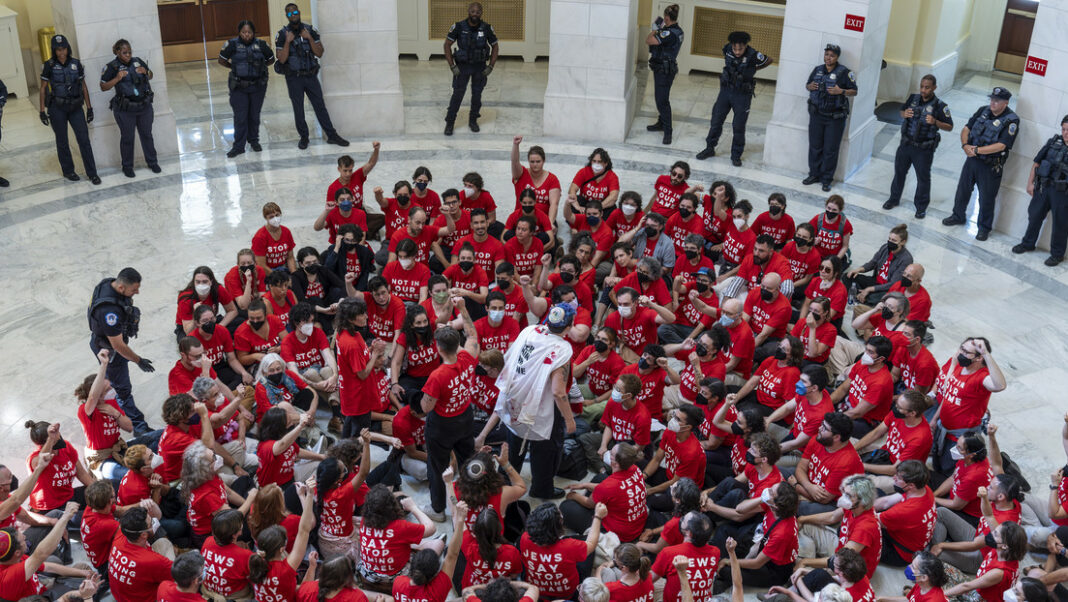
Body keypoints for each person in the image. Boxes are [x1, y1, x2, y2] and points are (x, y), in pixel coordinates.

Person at [492, 304, 577, 499]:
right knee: (546, 450)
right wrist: (569, 419)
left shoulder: (530, 330)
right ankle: (541, 488)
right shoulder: (563, 347)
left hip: (515, 396)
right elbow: (558, 392)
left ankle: (502, 483)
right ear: (569, 326)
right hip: (541, 405)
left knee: (514, 442)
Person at [421, 299, 479, 519]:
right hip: (465, 417)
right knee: (468, 461)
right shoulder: (468, 357)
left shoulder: (437, 376)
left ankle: (438, 509)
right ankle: (471, 499)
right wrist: (463, 307)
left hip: (442, 425)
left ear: (438, 348)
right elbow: (472, 335)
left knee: (438, 467)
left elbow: (427, 407)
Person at [943, 87, 1021, 240]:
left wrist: (977, 150)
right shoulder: (982, 111)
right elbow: (966, 128)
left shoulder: (1012, 120)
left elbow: (1002, 145)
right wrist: (965, 145)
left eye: (997, 101)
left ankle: (984, 228)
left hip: (990, 166)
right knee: (962, 191)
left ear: (1005, 102)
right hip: (972, 160)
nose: (992, 103)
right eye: (992, 99)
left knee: (986, 198)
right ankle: (958, 216)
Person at [88, 267, 153, 435]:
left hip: (102, 342)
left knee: (112, 381)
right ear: (122, 288)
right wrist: (139, 360)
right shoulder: (109, 311)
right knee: (122, 389)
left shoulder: (107, 283)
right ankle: (139, 426)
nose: (137, 292)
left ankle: (107, 393)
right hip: (111, 351)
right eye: (134, 289)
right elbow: (117, 345)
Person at [275, 3, 347, 149]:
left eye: (295, 12)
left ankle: (332, 135)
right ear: (286, 16)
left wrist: (309, 38)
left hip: (310, 76)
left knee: (320, 106)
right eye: (289, 14)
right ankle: (304, 138)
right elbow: (281, 59)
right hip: (294, 78)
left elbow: (319, 52)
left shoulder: (310, 30)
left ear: (299, 12)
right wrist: (288, 42)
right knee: (298, 109)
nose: (293, 15)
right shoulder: (282, 34)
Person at [930, 337, 1006, 472]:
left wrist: (986, 354)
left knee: (949, 468)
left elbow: (999, 385)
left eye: (966, 352)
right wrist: (935, 419)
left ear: (978, 358)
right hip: (943, 426)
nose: (961, 354)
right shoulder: (958, 364)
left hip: (960, 436)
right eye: (962, 348)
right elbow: (949, 396)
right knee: (937, 461)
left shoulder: (982, 377)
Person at [698, 31, 773, 165]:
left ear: (746, 46)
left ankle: (736, 155)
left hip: (742, 95)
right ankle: (710, 148)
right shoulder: (727, 49)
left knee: (738, 126)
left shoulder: (753, 54)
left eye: (740, 49)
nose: (737, 52)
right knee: (716, 120)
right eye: (735, 48)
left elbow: (769, 60)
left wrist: (754, 68)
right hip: (726, 91)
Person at [884, 74, 953, 218]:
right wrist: (904, 114)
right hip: (906, 144)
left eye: (927, 87)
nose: (923, 90)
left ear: (934, 88)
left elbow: (949, 126)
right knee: (899, 173)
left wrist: (935, 122)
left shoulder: (940, 106)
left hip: (923, 149)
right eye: (922, 86)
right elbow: (901, 111)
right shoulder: (913, 99)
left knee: (923, 178)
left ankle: (921, 207)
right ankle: (893, 199)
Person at [39, 34, 99, 184]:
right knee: (62, 141)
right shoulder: (49, 65)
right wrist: (41, 111)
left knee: (84, 139)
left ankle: (92, 173)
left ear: (68, 48)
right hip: (57, 108)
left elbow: (83, 86)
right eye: (58, 49)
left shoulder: (76, 64)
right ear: (54, 50)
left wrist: (89, 108)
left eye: (64, 48)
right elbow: (43, 88)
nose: (61, 52)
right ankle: (68, 171)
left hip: (76, 107)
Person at [796, 474, 881, 579]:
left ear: (862, 500)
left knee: (808, 580)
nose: (843, 498)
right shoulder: (855, 506)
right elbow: (832, 517)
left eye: (848, 495)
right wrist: (803, 518)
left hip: (849, 571)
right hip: (842, 547)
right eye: (844, 493)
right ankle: (806, 566)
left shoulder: (865, 527)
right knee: (806, 526)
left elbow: (840, 559)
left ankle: (805, 569)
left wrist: (806, 561)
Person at [561, 442, 648, 542]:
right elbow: (614, 490)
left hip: (618, 535)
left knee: (566, 506)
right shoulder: (635, 469)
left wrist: (572, 495)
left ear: (615, 463)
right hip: (635, 524)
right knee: (600, 478)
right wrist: (585, 485)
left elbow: (589, 504)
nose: (608, 452)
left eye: (611, 453)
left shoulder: (609, 486)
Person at [358, 484, 444, 585]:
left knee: (404, 542)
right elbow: (431, 528)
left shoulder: (364, 521)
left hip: (369, 575)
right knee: (438, 543)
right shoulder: (400, 527)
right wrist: (413, 508)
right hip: (396, 577)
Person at [520, 502, 606, 600]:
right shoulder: (569, 546)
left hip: (536, 590)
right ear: (558, 528)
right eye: (561, 518)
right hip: (567, 593)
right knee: (589, 551)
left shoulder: (524, 538)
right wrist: (598, 517)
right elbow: (591, 543)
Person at [0, 501, 85, 599]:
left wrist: (83, 573)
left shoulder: (12, 558)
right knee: (83, 578)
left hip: (39, 589)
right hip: (41, 599)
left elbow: (49, 567)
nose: (24, 536)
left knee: (66, 565)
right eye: (22, 539)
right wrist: (65, 517)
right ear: (17, 552)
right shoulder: (9, 576)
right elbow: (41, 554)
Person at [100, 39, 159, 178]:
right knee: (127, 138)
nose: (128, 55)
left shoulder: (137, 61)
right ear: (117, 52)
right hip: (125, 109)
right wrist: (117, 79)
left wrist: (146, 72)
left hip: (144, 106)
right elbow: (103, 86)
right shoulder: (112, 67)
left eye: (130, 52)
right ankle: (127, 166)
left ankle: (152, 162)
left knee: (147, 135)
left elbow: (151, 75)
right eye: (124, 52)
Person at [1014, 115, 1068, 266]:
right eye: (1064, 129)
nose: (1065, 133)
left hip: (1063, 194)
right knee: (1035, 216)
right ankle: (1028, 244)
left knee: (1061, 224)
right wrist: (1030, 183)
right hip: (1044, 188)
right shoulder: (1053, 142)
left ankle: (1057, 255)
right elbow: (1037, 162)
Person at [802, 44, 857, 192]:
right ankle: (813, 174)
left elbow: (854, 91)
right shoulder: (818, 69)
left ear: (837, 57)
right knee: (815, 147)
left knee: (830, 150)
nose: (828, 58)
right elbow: (807, 85)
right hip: (817, 115)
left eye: (832, 55)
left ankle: (826, 179)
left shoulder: (845, 72)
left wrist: (841, 91)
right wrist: (810, 86)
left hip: (835, 118)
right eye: (827, 55)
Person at [218, 20, 274, 157]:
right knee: (240, 117)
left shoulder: (261, 45)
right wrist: (234, 68)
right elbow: (222, 60)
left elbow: (271, 59)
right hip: (239, 86)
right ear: (239, 32)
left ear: (253, 33)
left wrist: (260, 68)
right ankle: (238, 146)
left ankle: (254, 141)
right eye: (243, 32)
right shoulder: (231, 44)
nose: (246, 35)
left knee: (254, 115)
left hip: (258, 86)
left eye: (249, 32)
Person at [790, 412, 863, 516]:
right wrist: (809, 486)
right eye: (822, 424)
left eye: (824, 428)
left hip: (833, 503)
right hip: (810, 482)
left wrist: (797, 487)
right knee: (776, 473)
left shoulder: (845, 463)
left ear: (837, 437)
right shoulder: (820, 438)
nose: (819, 428)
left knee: (790, 506)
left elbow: (823, 499)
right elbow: (800, 468)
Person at [392, 503, 467, 602]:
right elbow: (452, 555)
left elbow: (452, 555)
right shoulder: (438, 589)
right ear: (436, 574)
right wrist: (461, 520)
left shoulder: (399, 582)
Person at [444, 2, 498, 135]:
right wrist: (452, 66)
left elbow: (495, 46)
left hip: (479, 67)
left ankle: (473, 120)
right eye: (473, 11)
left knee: (477, 95)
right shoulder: (458, 26)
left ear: (481, 13)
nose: (475, 14)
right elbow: (447, 45)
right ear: (468, 11)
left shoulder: (486, 28)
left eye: (478, 12)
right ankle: (450, 123)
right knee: (457, 95)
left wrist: (491, 66)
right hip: (462, 67)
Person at [943, 521, 1027, 602]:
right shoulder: (1004, 551)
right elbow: (989, 516)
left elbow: (966, 586)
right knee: (943, 566)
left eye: (995, 534)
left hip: (980, 598)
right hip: (978, 586)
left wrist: (941, 594)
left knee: (939, 597)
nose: (991, 534)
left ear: (1005, 546)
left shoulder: (999, 572)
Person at [873, 463, 937, 565]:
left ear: (911, 485)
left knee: (849, 529)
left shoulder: (904, 511)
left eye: (898, 478)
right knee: (876, 492)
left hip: (901, 553)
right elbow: (886, 502)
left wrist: (852, 505)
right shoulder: (924, 489)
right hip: (910, 538)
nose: (894, 478)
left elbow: (869, 520)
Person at [108, 507, 175, 602]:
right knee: (165, 543)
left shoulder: (120, 535)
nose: (153, 522)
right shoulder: (153, 561)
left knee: (161, 543)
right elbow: (178, 575)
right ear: (143, 535)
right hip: (146, 598)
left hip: (120, 596)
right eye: (151, 522)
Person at [650, 511, 720, 602]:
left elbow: (650, 580)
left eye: (683, 520)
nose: (681, 520)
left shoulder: (669, 553)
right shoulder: (715, 552)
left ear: (689, 533)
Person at [645, 4, 683, 145]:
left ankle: (668, 131)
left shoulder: (667, 33)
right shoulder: (678, 31)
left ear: (666, 18)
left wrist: (655, 29)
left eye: (665, 18)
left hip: (663, 71)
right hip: (666, 69)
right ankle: (661, 123)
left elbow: (648, 40)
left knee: (662, 101)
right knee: (662, 98)